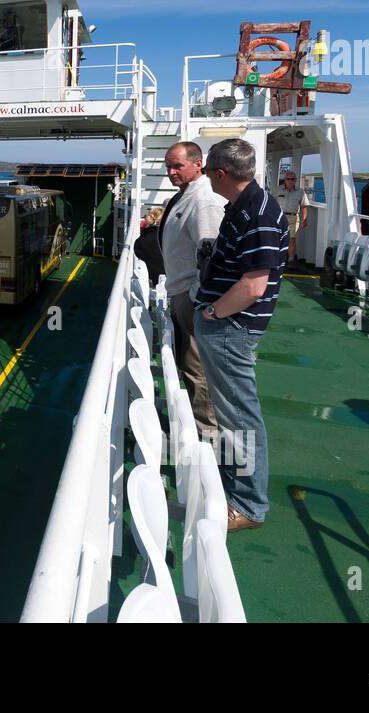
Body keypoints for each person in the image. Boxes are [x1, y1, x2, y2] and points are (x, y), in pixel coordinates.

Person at [193, 138, 289, 533]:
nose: (205, 179)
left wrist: (214, 313)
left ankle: (248, 506)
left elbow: (254, 285)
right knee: (232, 415)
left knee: (240, 418)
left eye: (207, 172)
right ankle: (235, 485)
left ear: (220, 174)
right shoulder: (244, 205)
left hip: (232, 329)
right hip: (226, 327)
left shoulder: (259, 212)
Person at [157, 142, 226, 440]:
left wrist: (194, 298)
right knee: (190, 365)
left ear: (198, 164)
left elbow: (212, 256)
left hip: (191, 297)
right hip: (183, 293)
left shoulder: (204, 200)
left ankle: (209, 435)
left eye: (178, 166)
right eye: (168, 166)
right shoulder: (187, 194)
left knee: (199, 369)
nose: (171, 172)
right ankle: (203, 427)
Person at [277, 170, 310, 266]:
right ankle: (278, 259)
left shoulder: (300, 192)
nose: (290, 181)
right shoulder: (277, 190)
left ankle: (291, 260)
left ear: (295, 180)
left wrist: (304, 219)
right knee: (278, 238)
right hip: (280, 217)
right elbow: (271, 203)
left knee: (292, 239)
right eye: (288, 179)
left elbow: (304, 206)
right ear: (285, 180)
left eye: (292, 179)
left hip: (293, 218)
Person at [133, 206, 165, 286]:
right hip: (170, 278)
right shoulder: (167, 237)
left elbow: (137, 251)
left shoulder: (142, 239)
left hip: (150, 277)